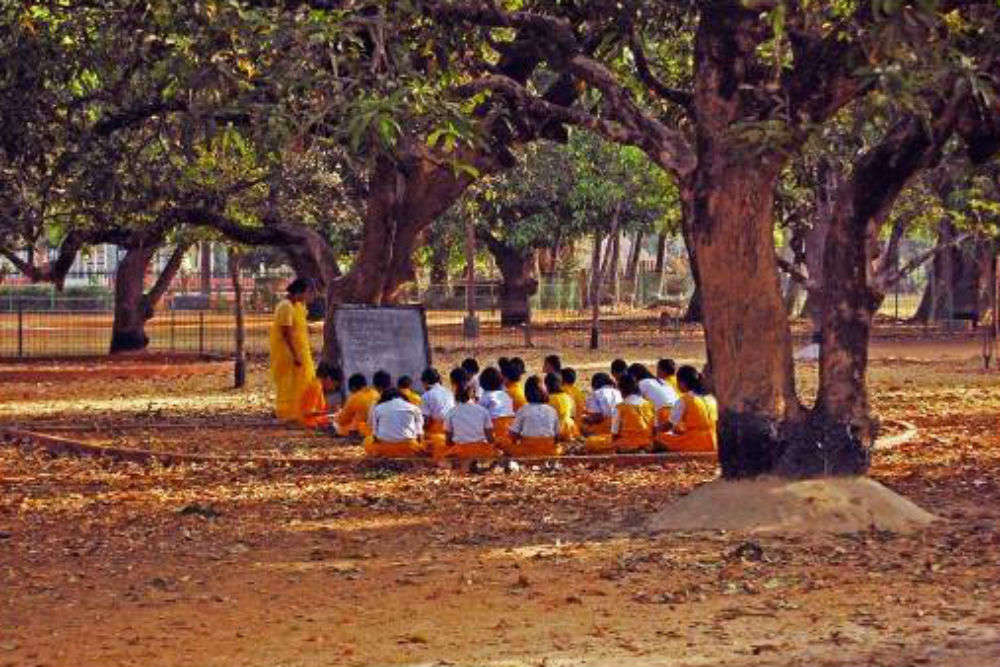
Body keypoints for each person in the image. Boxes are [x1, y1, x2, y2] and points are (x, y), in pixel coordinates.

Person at [269, 278, 316, 421]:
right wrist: (295, 355)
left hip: (301, 350)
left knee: (303, 380)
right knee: (289, 382)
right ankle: (286, 413)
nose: (308, 297)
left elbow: (300, 327)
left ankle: (300, 411)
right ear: (299, 292)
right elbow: (286, 333)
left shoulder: (299, 307)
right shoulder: (286, 306)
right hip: (288, 352)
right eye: (307, 293)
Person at [585, 374, 654, 453]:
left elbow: (615, 434)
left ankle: (633, 448)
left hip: (627, 443)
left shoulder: (620, 407)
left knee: (590, 442)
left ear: (621, 389)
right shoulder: (649, 404)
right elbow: (654, 428)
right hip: (648, 442)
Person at [654, 365, 717, 453]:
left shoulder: (685, 400)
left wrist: (653, 431)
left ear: (682, 383)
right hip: (715, 440)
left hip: (696, 442)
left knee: (659, 438)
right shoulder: (711, 398)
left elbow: (668, 426)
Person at [440, 378, 497, 461]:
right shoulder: (483, 411)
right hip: (481, 450)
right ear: (473, 394)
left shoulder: (451, 412)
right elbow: (490, 438)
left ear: (456, 395)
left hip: (460, 452)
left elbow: (448, 440)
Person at [505, 375, 562, 457]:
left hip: (528, 450)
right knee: (559, 449)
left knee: (506, 446)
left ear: (526, 393)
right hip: (549, 450)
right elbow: (557, 436)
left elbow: (514, 434)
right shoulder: (552, 410)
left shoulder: (523, 409)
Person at [364, 388, 425, 458]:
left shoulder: (378, 408)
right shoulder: (414, 408)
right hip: (409, 449)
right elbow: (420, 434)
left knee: (367, 441)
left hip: (384, 450)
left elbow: (375, 436)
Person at [629, 362, 679, 426]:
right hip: (678, 412)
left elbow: (633, 402)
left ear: (634, 377)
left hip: (665, 414)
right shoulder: (661, 381)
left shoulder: (642, 383)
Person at [478, 366, 515, 447]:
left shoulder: (485, 396)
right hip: (510, 425)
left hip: (495, 426)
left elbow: (479, 414)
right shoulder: (506, 395)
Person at [421, 367, 455, 451]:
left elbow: (426, 420)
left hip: (437, 433)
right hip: (452, 431)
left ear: (425, 382)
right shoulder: (449, 392)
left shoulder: (427, 395)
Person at [299, 362, 341, 429]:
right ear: (328, 378)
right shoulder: (316, 387)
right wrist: (329, 412)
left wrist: (331, 409)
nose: (332, 388)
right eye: (334, 385)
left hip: (315, 421)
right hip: (310, 423)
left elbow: (319, 409)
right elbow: (307, 413)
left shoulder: (319, 386)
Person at [545, 372, 579, 440]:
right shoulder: (567, 397)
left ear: (547, 386)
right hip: (571, 428)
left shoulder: (547, 399)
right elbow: (573, 415)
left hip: (555, 430)